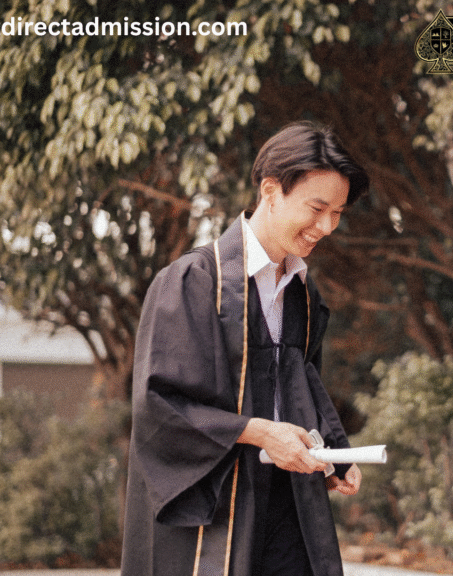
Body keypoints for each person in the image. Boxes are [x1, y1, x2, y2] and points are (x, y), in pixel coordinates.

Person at [122, 122, 369, 576]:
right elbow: (158, 405)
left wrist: (335, 452)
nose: (327, 227)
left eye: (337, 213)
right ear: (271, 190)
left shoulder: (302, 292)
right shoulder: (195, 282)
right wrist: (257, 432)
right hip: (214, 498)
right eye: (317, 208)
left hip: (287, 498)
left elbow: (303, 384)